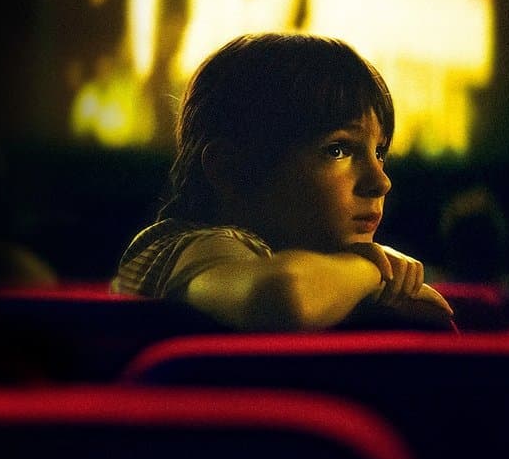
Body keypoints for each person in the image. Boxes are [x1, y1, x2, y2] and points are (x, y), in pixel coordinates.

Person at [112, 33, 454, 331]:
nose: (380, 181)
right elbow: (283, 297)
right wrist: (372, 269)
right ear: (231, 169)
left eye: (379, 152)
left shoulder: (302, 267)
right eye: (337, 150)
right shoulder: (187, 246)